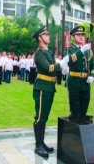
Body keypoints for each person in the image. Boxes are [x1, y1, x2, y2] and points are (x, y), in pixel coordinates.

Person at [32, 25, 64, 157]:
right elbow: (48, 68)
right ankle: (38, 145)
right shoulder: (39, 53)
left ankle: (41, 142)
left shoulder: (49, 52)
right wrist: (61, 64)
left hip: (50, 87)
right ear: (40, 38)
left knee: (44, 116)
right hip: (42, 88)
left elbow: (56, 69)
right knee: (39, 117)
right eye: (45, 35)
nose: (48, 36)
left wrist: (62, 67)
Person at [63, 26, 94, 125]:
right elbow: (71, 60)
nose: (81, 37)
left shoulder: (89, 51)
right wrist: (82, 51)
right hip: (74, 83)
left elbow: (93, 65)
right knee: (75, 111)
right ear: (73, 37)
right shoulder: (70, 50)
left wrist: (93, 76)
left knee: (84, 110)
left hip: (85, 83)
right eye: (78, 35)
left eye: (82, 35)